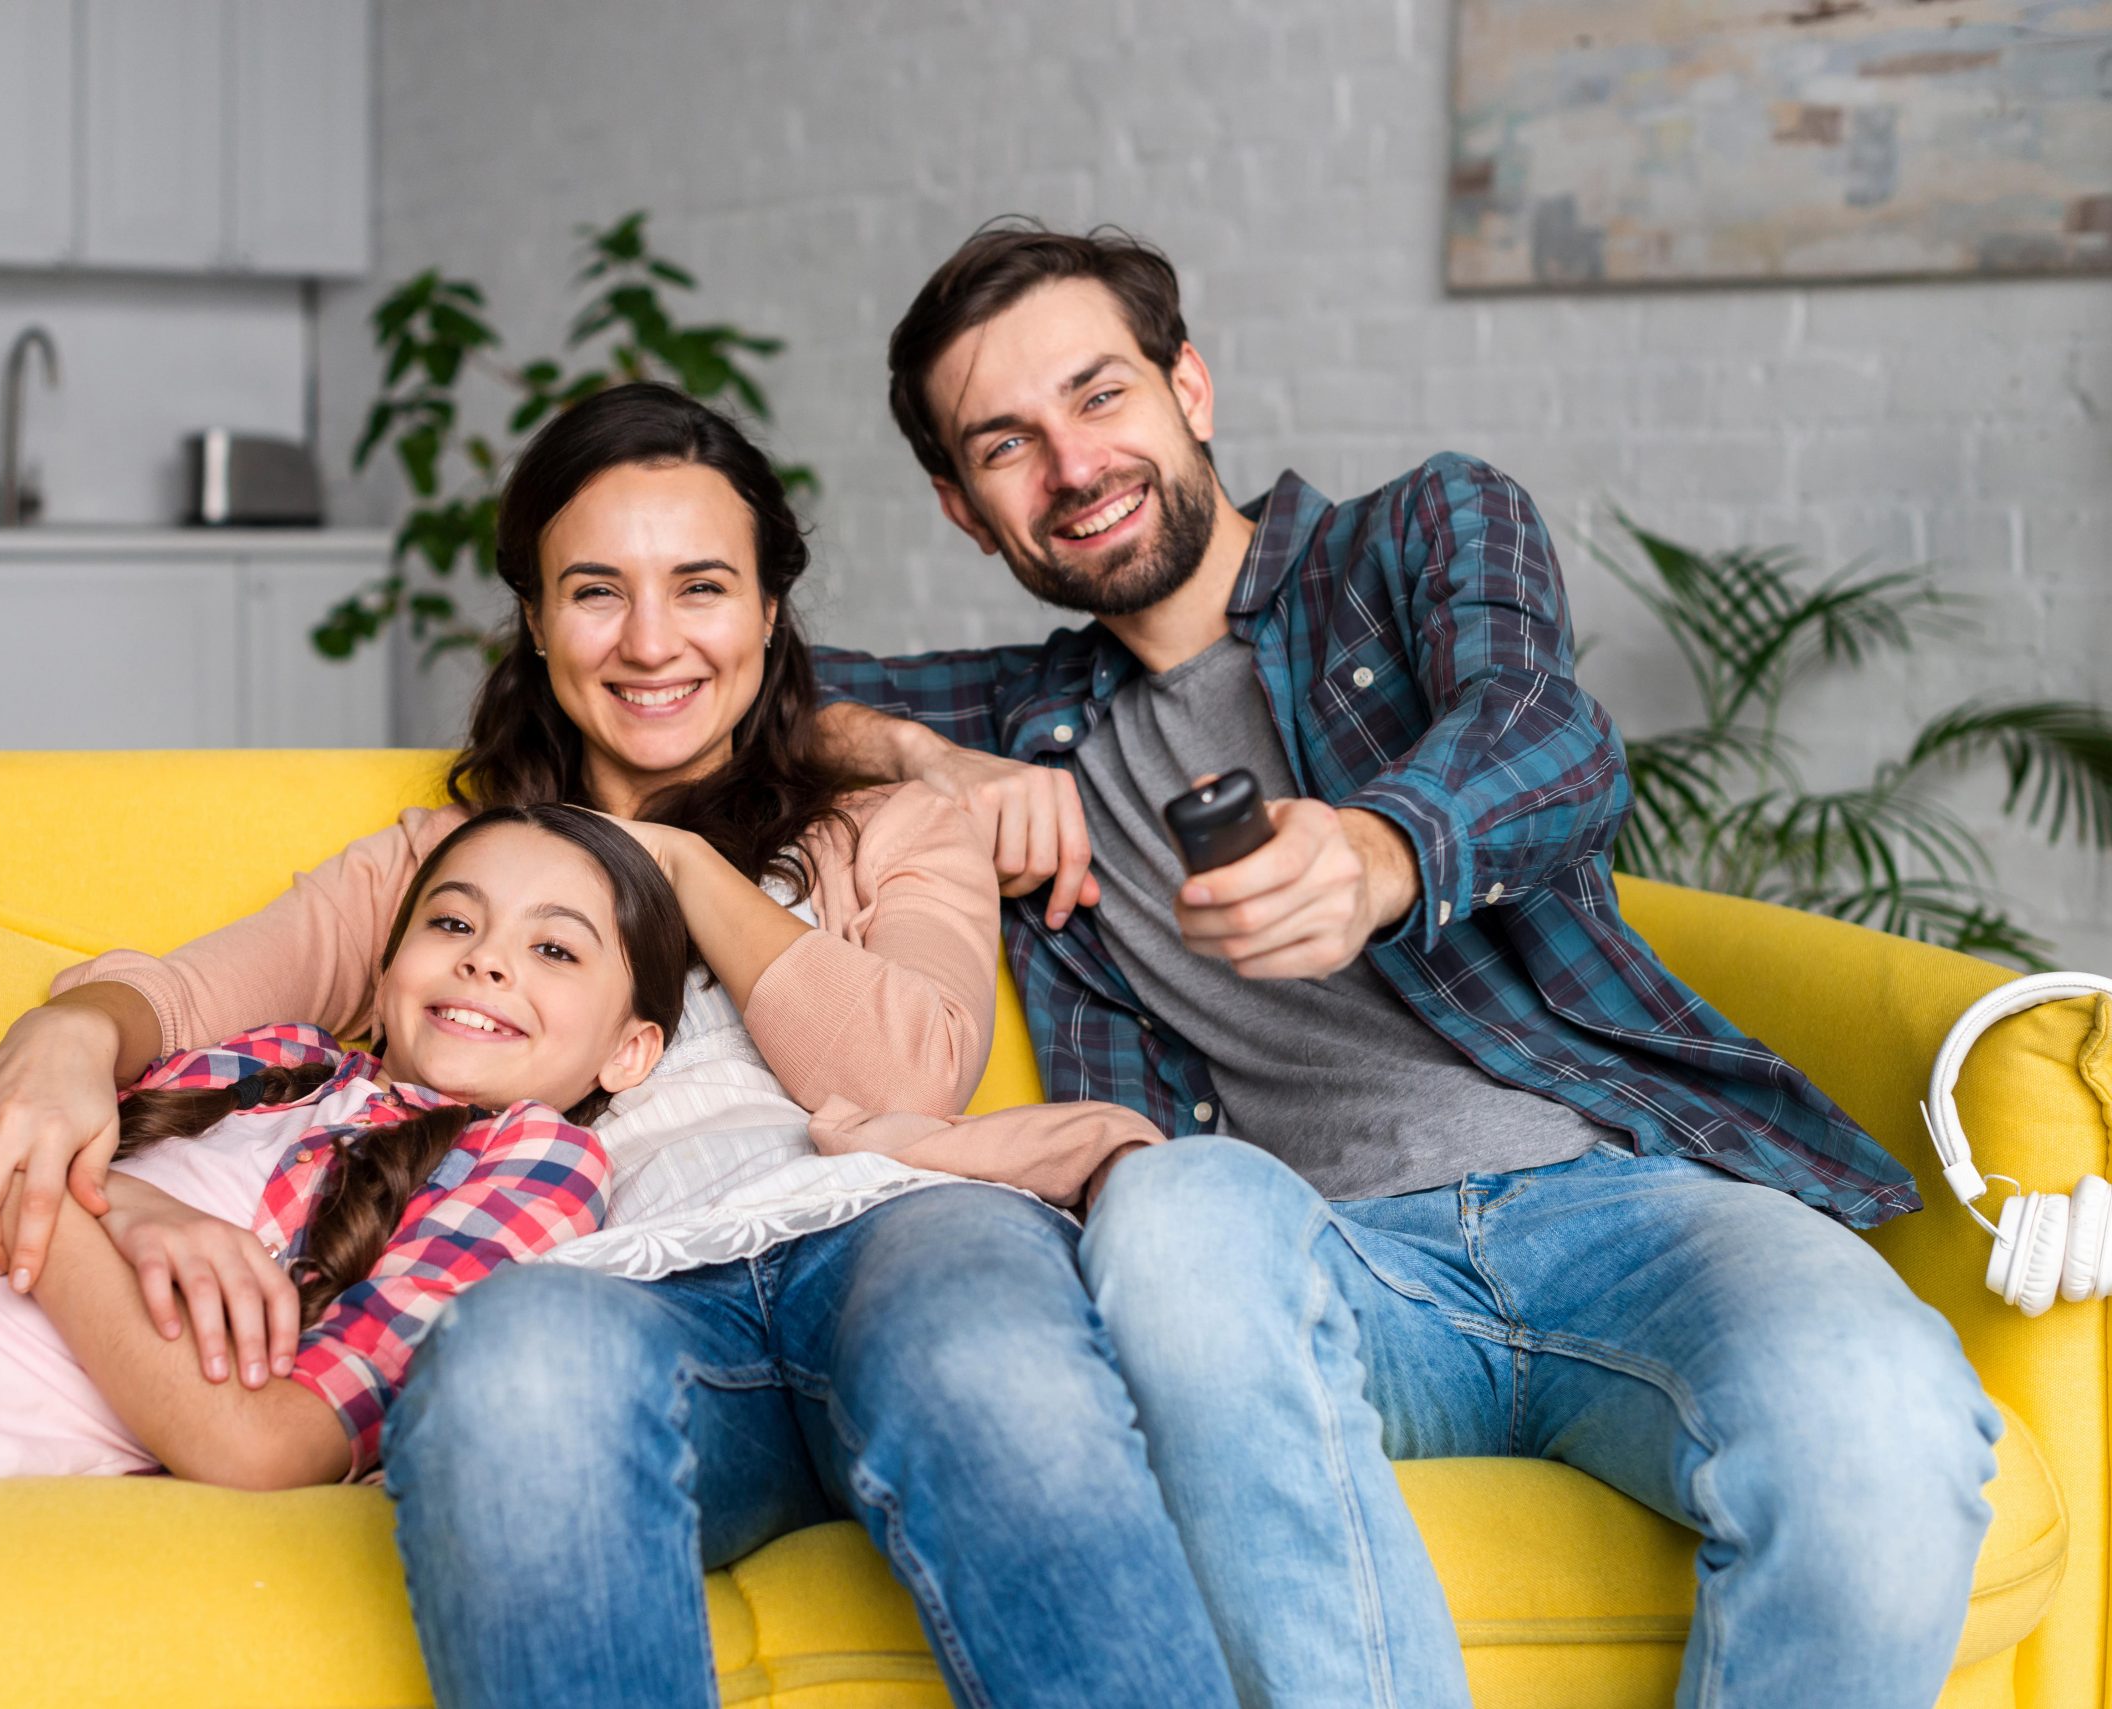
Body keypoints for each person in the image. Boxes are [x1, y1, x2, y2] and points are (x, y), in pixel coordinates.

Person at [815, 220, 2001, 1709]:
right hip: (1330, 1271)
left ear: (1190, 386)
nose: (1073, 464)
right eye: (1006, 443)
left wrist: (1383, 850)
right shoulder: (1027, 716)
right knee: (1167, 1205)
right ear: (960, 508)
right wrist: (926, 758)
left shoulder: (1417, 535)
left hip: (1624, 1206)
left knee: (1881, 1412)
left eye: (1101, 395)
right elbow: (718, 686)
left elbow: (1549, 735)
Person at [0, 382, 1241, 1708]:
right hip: (611, 1293)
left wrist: (666, 859)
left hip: (887, 1232)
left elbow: (904, 1073)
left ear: (770, 616)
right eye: (597, 590)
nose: (652, 641)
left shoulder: (889, 828)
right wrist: (68, 1036)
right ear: (540, 622)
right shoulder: (441, 869)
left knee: (985, 1353)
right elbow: (187, 993)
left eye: (704, 587)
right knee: (507, 1372)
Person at [0, 805, 680, 1493]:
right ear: (384, 984)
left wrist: (82, 1212)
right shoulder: (282, 1056)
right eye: (451, 921)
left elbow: (262, 1448)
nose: (486, 960)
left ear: (631, 1051)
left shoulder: (531, 1161)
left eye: (554, 949)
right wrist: (137, 1217)